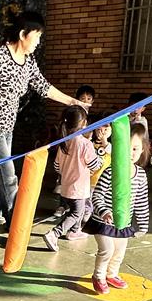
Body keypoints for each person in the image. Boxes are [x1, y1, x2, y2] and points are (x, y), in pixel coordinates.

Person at [0, 9, 89, 226]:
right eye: (37, 36)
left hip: (7, 126)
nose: (38, 42)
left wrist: (72, 101)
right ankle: (16, 225)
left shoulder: (28, 61)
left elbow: (43, 87)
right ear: (23, 34)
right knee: (8, 176)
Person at [82, 124, 150, 295]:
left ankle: (111, 274)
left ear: (142, 150)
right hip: (102, 222)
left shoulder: (141, 175)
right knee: (107, 250)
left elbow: (141, 201)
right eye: (127, 148)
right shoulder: (110, 171)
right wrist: (104, 211)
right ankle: (98, 276)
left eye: (135, 149)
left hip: (123, 223)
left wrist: (143, 225)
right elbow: (97, 195)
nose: (131, 153)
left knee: (119, 252)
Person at [44, 105, 101, 252]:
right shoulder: (85, 144)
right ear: (84, 124)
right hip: (79, 188)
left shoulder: (64, 142)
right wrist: (100, 159)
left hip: (66, 186)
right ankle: (54, 233)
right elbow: (94, 165)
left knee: (78, 210)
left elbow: (56, 166)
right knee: (76, 213)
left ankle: (74, 232)